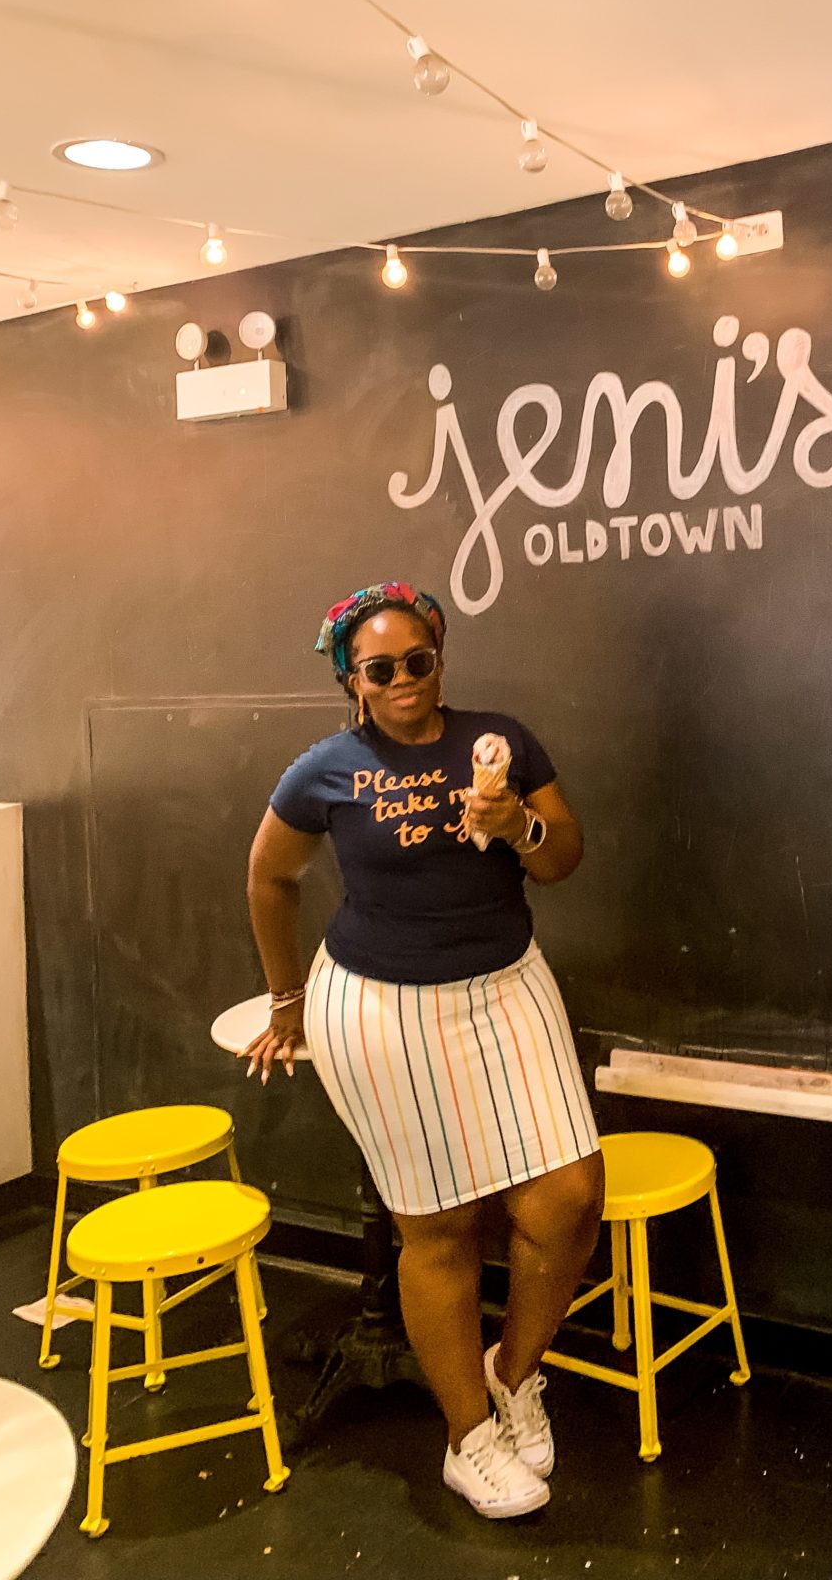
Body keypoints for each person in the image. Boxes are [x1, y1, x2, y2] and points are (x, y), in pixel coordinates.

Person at [241, 580, 604, 1519]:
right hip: (382, 1009)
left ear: (441, 658)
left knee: (567, 1195)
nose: (404, 680)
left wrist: (513, 824)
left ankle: (513, 1375)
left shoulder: (502, 741)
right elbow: (269, 876)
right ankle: (465, 1440)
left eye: (420, 660)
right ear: (351, 680)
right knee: (436, 1227)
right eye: (380, 668)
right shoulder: (325, 768)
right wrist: (287, 999)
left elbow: (562, 855)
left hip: (506, 988)